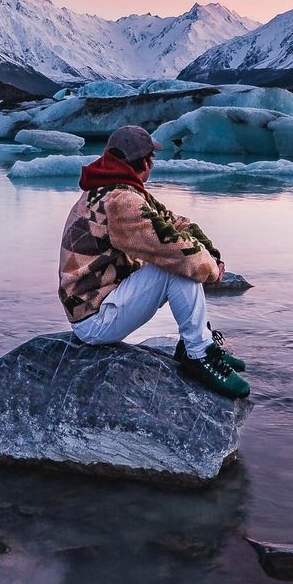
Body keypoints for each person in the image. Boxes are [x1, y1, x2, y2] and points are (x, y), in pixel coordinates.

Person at [58, 125, 250, 398]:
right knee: (176, 267)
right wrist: (211, 270)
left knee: (179, 261)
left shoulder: (114, 189)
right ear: (145, 161)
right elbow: (175, 249)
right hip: (94, 320)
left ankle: (198, 343)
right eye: (152, 158)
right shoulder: (121, 202)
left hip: (100, 303)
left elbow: (174, 223)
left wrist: (211, 252)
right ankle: (198, 354)